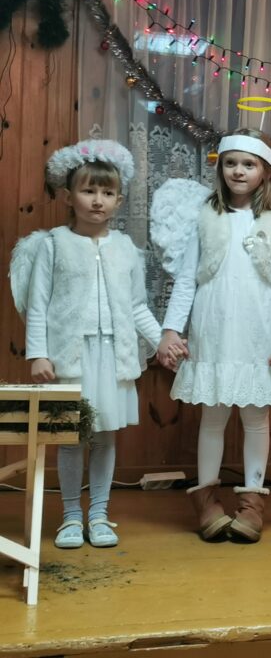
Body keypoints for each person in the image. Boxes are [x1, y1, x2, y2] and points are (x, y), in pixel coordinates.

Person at [156, 129, 271, 543]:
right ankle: (206, 502)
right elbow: (186, 279)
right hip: (214, 328)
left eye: (249, 164)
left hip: (259, 331)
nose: (239, 171)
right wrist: (170, 330)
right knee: (213, 416)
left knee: (256, 417)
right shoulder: (208, 217)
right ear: (220, 167)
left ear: (265, 171)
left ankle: (252, 505)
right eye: (231, 163)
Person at [12, 139, 163, 549]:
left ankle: (98, 513)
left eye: (107, 193)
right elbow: (38, 304)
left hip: (112, 356)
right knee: (71, 436)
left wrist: (161, 341)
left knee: (105, 436)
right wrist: (39, 354)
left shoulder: (125, 249)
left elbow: (136, 306)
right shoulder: (53, 244)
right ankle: (70, 516)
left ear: (118, 200)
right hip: (70, 357)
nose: (98, 200)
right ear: (68, 196)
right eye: (89, 190)